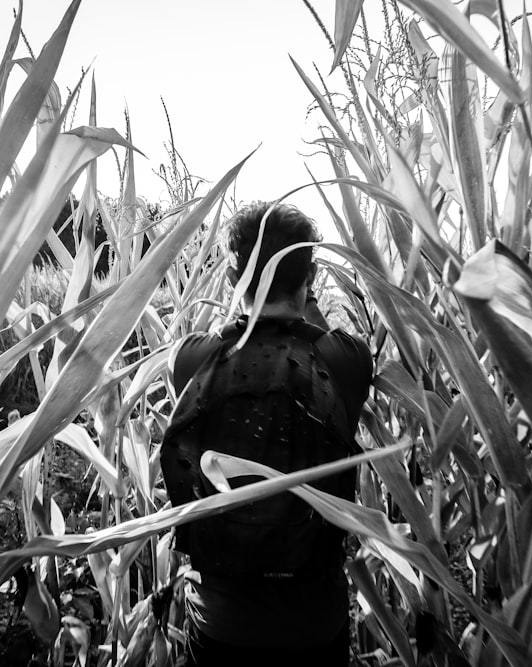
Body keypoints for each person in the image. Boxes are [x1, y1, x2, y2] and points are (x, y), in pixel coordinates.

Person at [160, 201, 373, 666]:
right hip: (314, 627)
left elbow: (225, 341)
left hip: (219, 625)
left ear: (235, 278)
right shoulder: (346, 362)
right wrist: (304, 295)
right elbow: (313, 340)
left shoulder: (191, 361)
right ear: (310, 277)